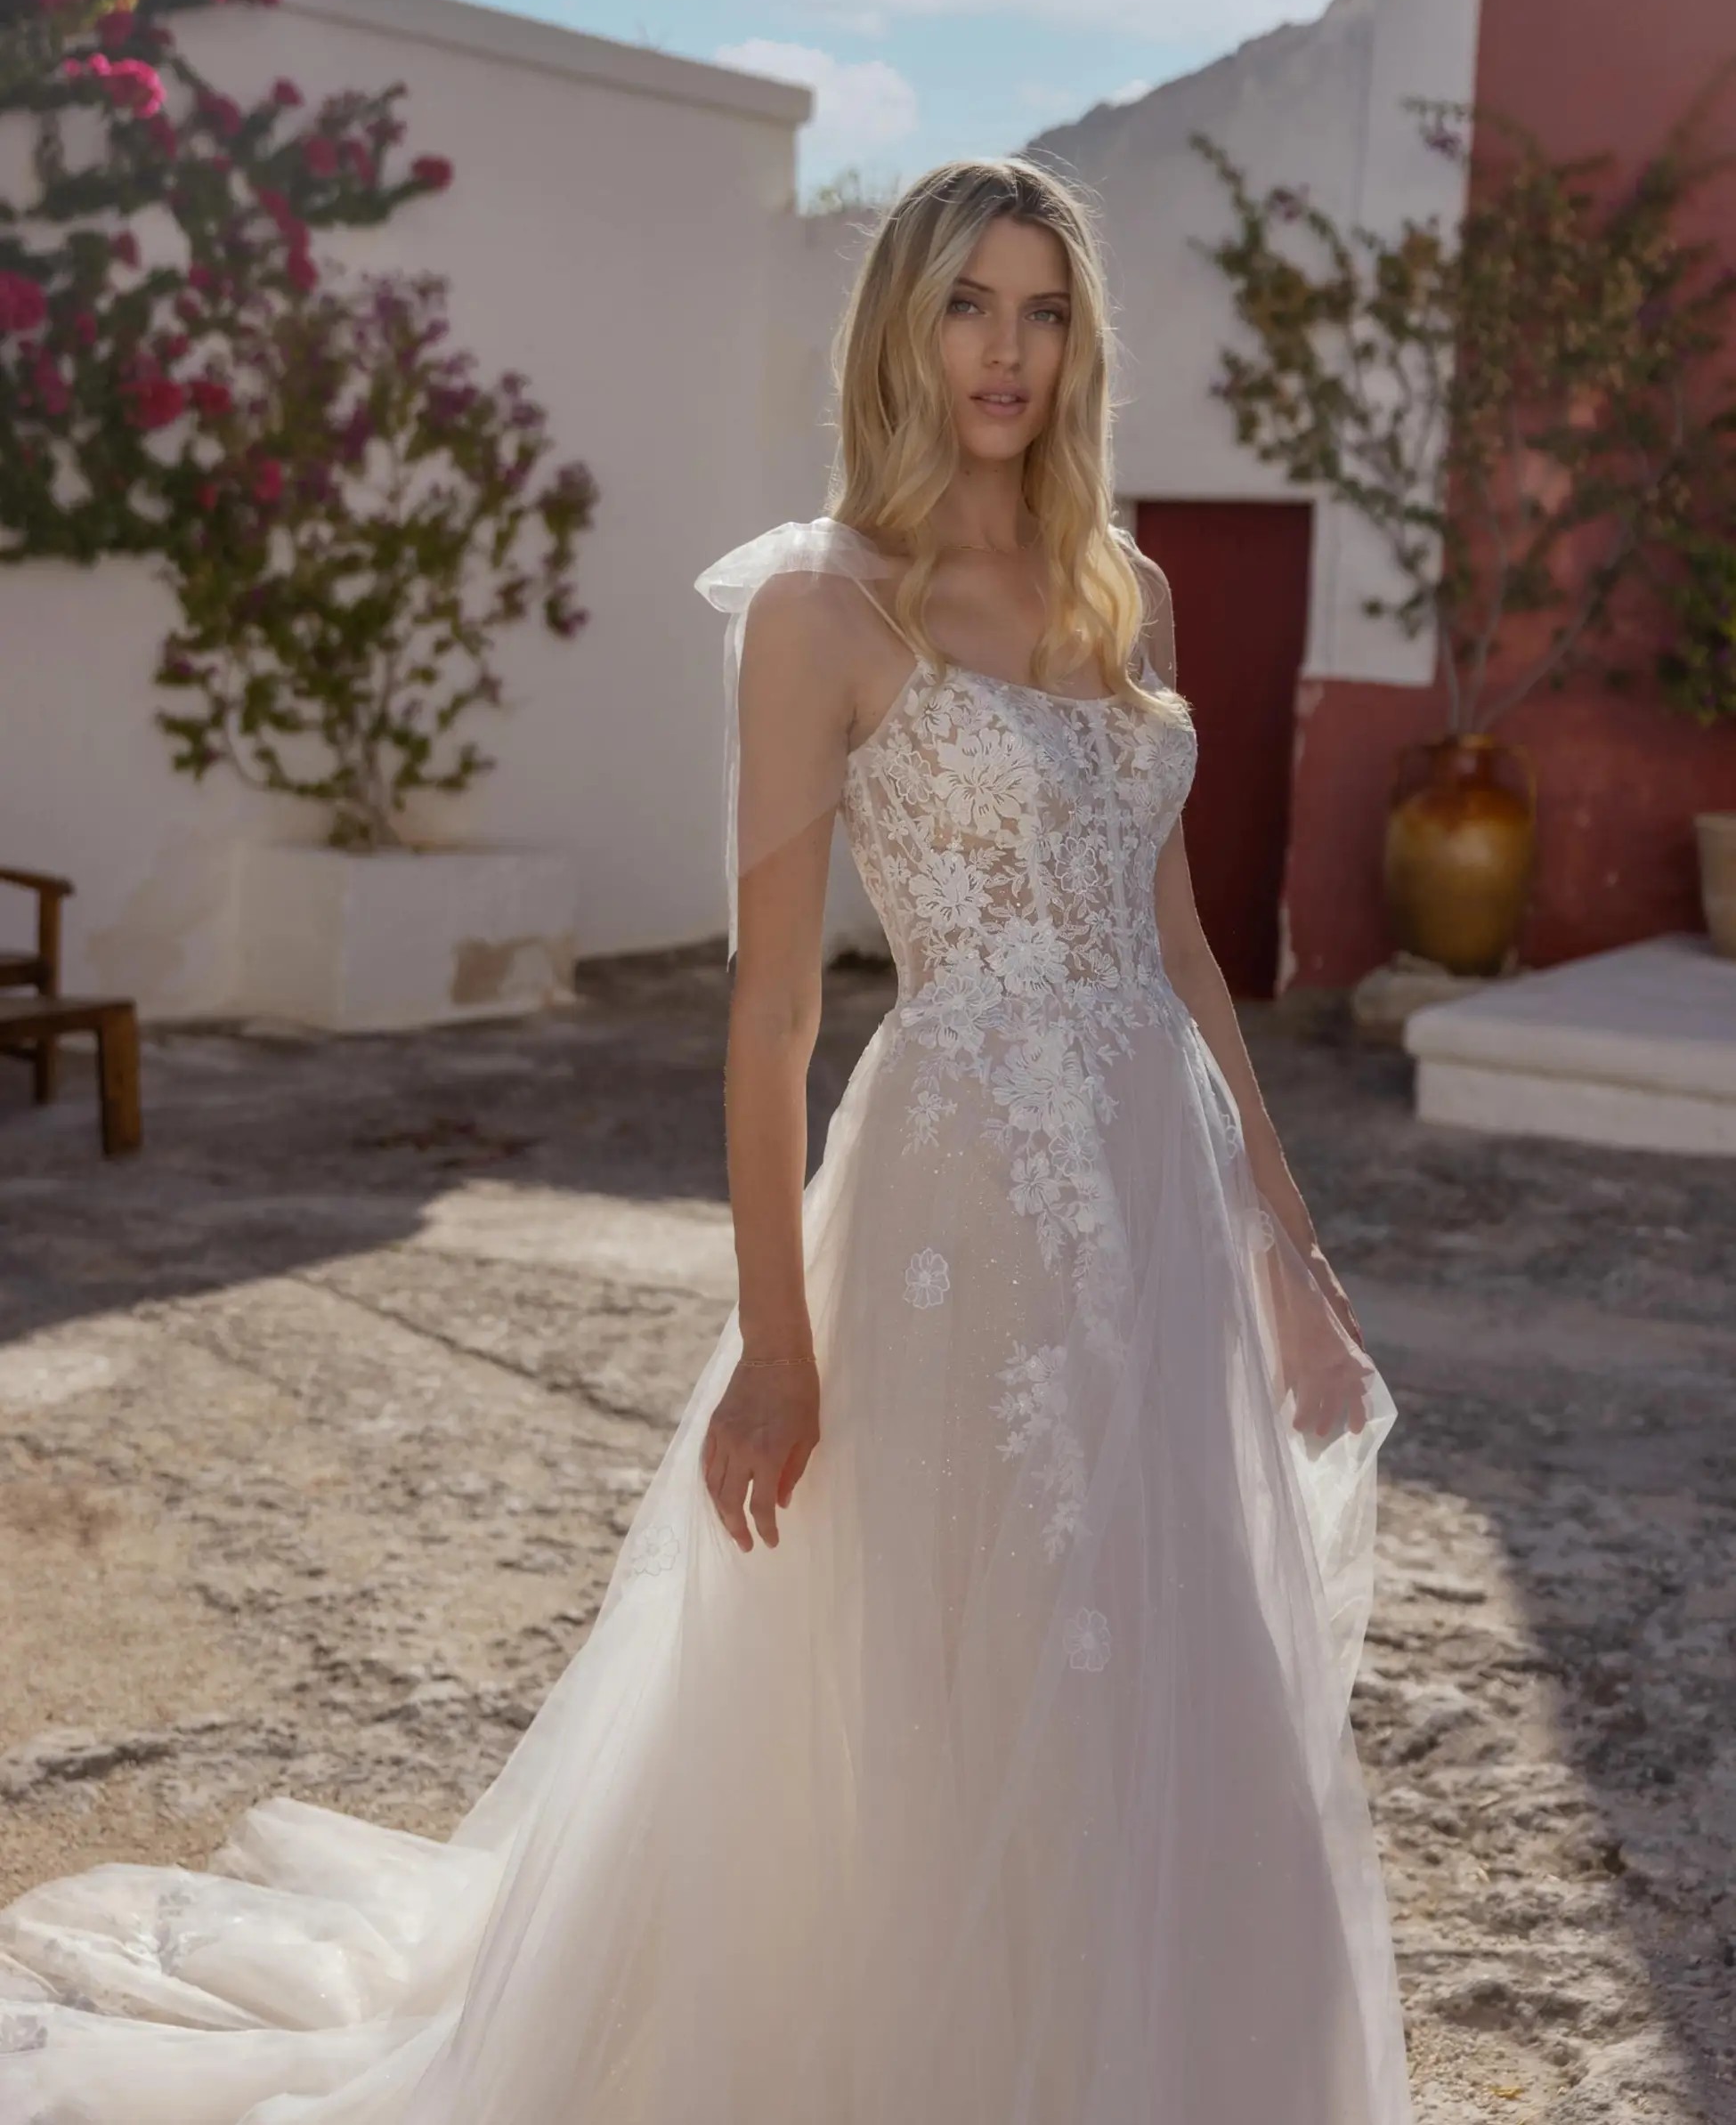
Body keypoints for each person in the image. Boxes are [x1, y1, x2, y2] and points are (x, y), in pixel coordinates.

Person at [0, 156, 1414, 2123]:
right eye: (964, 304)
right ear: (900, 332)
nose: (1004, 350)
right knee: (952, 1665)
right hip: (956, 1198)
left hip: (1156, 1199)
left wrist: (1290, 1255)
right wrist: (774, 1336)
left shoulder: (1129, 588)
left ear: (1080, 341)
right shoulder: (821, 608)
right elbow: (770, 1005)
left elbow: (1174, 938)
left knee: (1166, 1658)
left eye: (1042, 309)